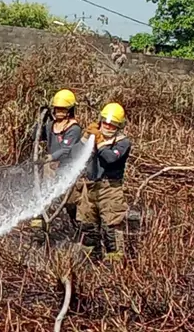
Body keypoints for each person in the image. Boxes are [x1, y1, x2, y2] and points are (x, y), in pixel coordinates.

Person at [77, 102, 131, 262]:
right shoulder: (93, 138)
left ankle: (114, 268)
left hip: (110, 190)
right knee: (88, 228)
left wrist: (99, 141)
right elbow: (74, 154)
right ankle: (89, 263)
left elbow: (110, 158)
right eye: (105, 123)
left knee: (111, 230)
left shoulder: (123, 143)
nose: (107, 127)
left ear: (118, 126)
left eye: (112, 125)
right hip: (90, 188)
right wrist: (85, 138)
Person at [29, 89, 83, 243]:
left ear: (70, 110)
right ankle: (40, 233)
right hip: (50, 168)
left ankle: (79, 229)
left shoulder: (74, 129)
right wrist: (40, 122)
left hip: (67, 169)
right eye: (57, 109)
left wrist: (51, 156)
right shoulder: (51, 125)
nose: (59, 112)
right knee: (45, 195)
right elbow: (35, 136)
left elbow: (67, 149)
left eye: (63, 109)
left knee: (70, 202)